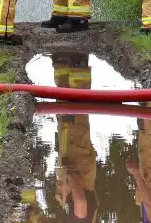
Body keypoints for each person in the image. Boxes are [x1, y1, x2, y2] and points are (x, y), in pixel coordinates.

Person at [52, 52, 98, 222]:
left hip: (74, 162)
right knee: (76, 120)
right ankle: (78, 68)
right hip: (78, 166)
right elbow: (79, 201)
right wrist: (70, 176)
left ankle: (62, 67)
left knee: (66, 116)